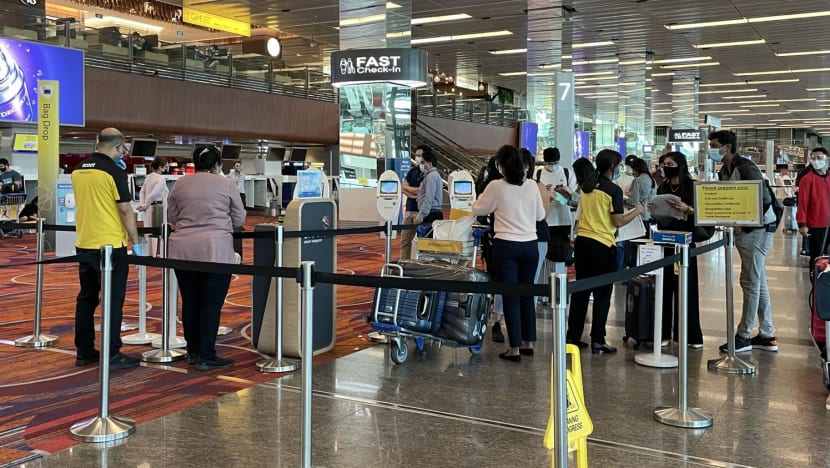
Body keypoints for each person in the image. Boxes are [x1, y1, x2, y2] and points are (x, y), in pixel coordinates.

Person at [167, 145, 246, 370]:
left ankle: (193, 351)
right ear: (217, 164)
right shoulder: (226, 184)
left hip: (182, 249)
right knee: (211, 304)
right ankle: (206, 355)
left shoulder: (180, 184)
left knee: (190, 301)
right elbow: (239, 217)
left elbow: (172, 216)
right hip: (215, 249)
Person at [71, 128, 142, 369]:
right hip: (110, 245)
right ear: (118, 146)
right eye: (123, 149)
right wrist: (136, 241)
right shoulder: (114, 171)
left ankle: (84, 351)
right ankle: (111, 352)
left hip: (85, 242)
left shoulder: (78, 169)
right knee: (112, 300)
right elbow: (125, 209)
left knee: (87, 298)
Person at [472, 145, 545, 361]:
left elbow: (478, 209)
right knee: (527, 294)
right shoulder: (531, 185)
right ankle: (528, 342)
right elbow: (540, 215)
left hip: (506, 246)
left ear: (500, 166)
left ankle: (514, 348)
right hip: (530, 245)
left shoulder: (496, 186)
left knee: (510, 296)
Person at [567, 149, 643, 354]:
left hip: (583, 243)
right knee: (602, 294)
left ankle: (572, 336)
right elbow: (617, 221)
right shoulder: (613, 190)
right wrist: (637, 211)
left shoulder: (587, 186)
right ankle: (598, 340)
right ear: (612, 167)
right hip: (602, 245)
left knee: (581, 292)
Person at [708, 130, 777, 353]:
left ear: (727, 146)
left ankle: (744, 335)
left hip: (756, 229)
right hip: (744, 228)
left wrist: (748, 221)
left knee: (750, 282)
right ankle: (767, 334)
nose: (711, 149)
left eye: (714, 145)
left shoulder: (746, 167)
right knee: (758, 280)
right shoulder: (724, 170)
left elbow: (763, 198)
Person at [654, 152, 704, 349]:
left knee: (687, 289)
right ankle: (663, 332)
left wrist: (687, 208)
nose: (666, 167)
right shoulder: (663, 187)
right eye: (664, 164)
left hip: (685, 241)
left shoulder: (692, 187)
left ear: (680, 165)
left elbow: (702, 214)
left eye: (670, 164)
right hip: (666, 240)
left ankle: (690, 335)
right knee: (664, 288)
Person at [536, 147, 577, 275]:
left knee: (563, 254)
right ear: (545, 162)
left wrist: (561, 194)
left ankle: (561, 278)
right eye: (549, 163)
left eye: (555, 163)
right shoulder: (538, 174)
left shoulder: (567, 173)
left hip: (563, 220)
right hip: (546, 220)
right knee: (545, 253)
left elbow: (573, 199)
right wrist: (545, 193)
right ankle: (544, 279)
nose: (553, 166)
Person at [522, 148, 551, 310]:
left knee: (529, 280)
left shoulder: (538, 187)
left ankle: (527, 314)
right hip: (534, 236)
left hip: (535, 236)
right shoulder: (539, 186)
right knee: (529, 279)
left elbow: (542, 215)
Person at [797, 147, 830, 275]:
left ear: (827, 159)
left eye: (819, 158)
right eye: (813, 158)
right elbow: (802, 203)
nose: (816, 161)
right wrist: (802, 223)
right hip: (817, 225)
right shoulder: (807, 179)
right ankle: (816, 280)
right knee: (817, 256)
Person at [137, 156, 169, 257]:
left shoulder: (148, 177)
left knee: (148, 232)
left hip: (148, 209)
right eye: (165, 166)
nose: (166, 168)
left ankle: (150, 254)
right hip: (158, 209)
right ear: (160, 167)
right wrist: (145, 205)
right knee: (159, 233)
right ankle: (159, 255)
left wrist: (143, 204)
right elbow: (154, 194)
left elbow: (142, 192)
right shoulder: (160, 179)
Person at [400, 146, 425, 259]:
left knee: (421, 242)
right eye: (416, 155)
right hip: (409, 209)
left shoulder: (428, 173)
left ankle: (419, 263)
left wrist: (411, 190)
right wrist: (414, 194)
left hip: (421, 211)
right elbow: (403, 187)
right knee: (405, 240)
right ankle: (404, 262)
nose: (418, 157)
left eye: (420, 155)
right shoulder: (412, 171)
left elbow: (422, 191)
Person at [415, 147, 443, 226]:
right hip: (432, 212)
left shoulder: (431, 177)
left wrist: (421, 216)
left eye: (423, 162)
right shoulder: (432, 175)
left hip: (431, 214)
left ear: (430, 164)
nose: (421, 165)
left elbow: (429, 197)